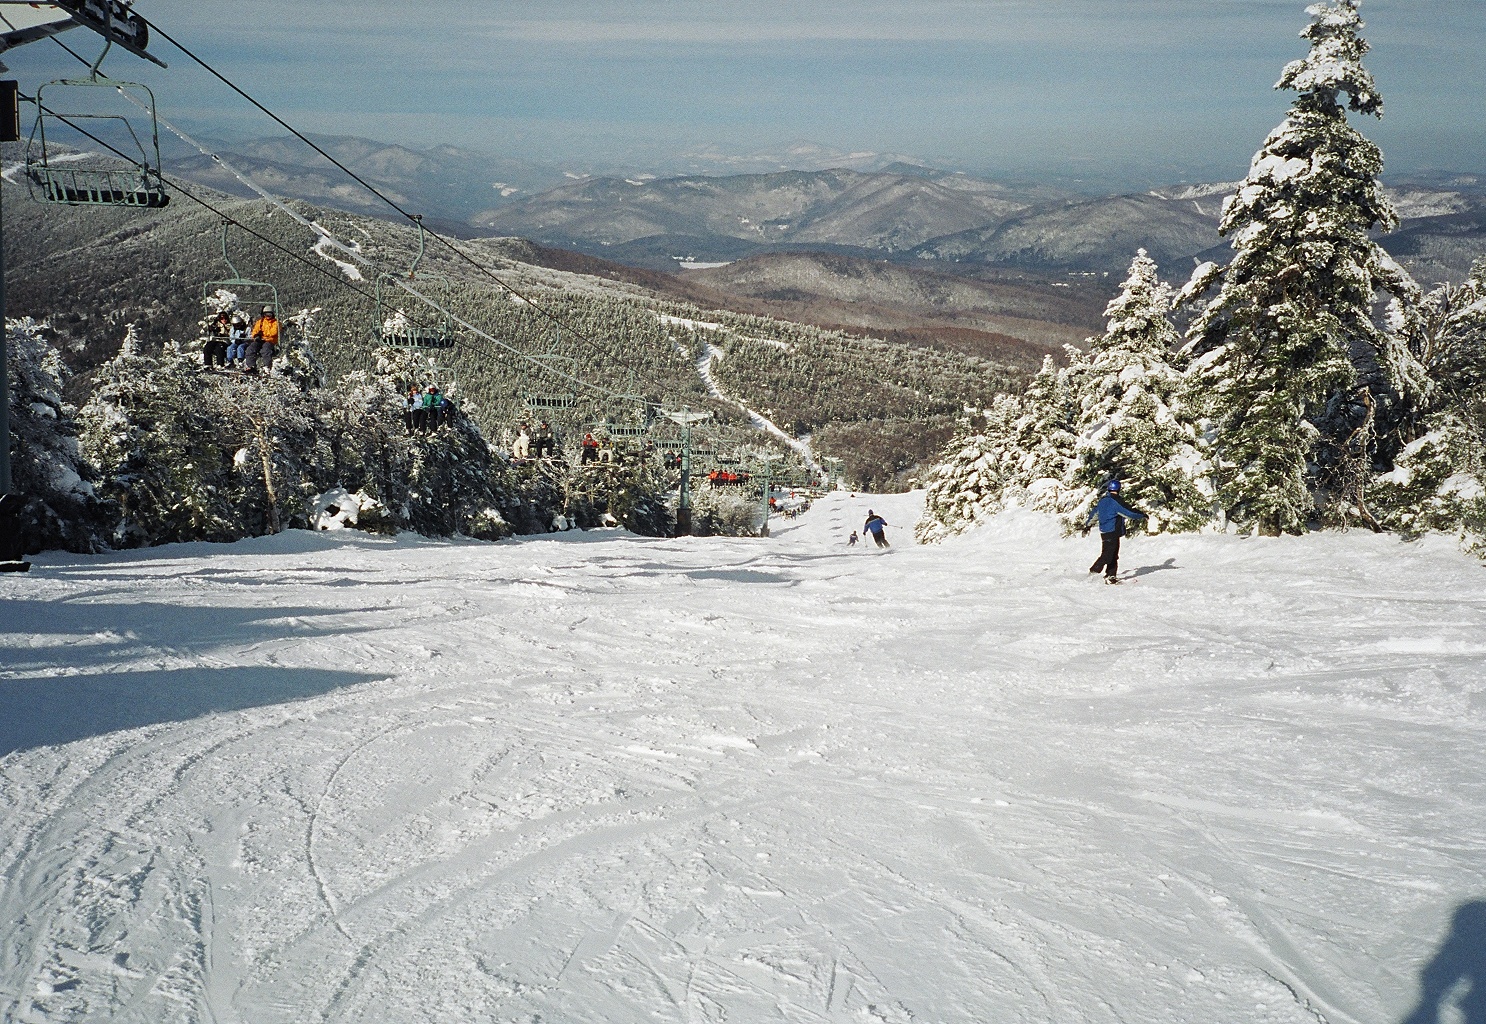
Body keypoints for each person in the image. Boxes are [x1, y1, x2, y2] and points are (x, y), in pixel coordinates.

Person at [1082, 479, 1147, 585]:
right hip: (1112, 531)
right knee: (1107, 554)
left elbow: (1094, 514)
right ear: (1119, 489)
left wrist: (1088, 526)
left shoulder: (1103, 500)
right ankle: (1093, 572)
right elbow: (1128, 512)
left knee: (1113, 554)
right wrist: (1141, 514)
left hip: (1105, 531)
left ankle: (1111, 576)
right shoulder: (1116, 501)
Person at [247, 306, 280, 373]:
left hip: (270, 340)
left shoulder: (276, 323)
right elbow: (255, 330)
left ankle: (267, 366)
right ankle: (251, 366)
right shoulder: (260, 322)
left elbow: (274, 332)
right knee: (251, 348)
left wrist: (262, 334)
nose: (268, 316)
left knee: (265, 350)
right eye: (266, 314)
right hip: (260, 340)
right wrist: (256, 335)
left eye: (269, 314)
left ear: (272, 314)